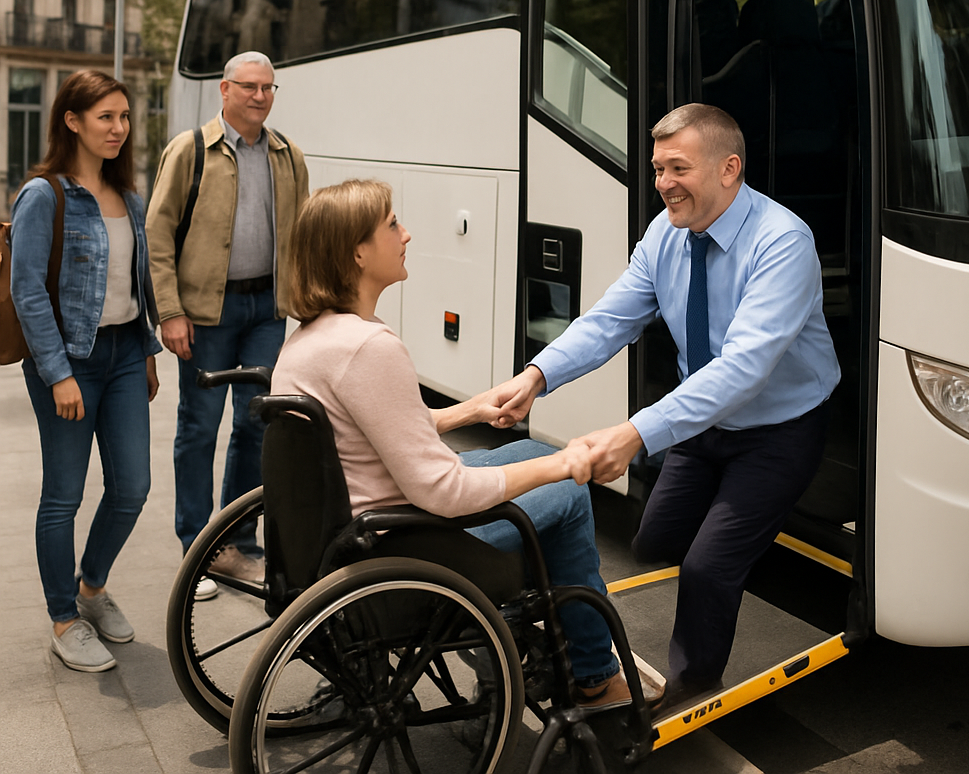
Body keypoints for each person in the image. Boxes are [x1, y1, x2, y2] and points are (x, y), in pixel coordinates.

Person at [493, 103, 841, 710]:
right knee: (652, 542)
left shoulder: (782, 242)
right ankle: (737, 547)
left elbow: (742, 370)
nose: (662, 184)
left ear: (729, 168)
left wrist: (636, 433)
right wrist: (537, 375)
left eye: (677, 168)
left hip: (777, 429)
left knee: (708, 567)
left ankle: (693, 684)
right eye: (657, 169)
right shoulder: (665, 232)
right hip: (703, 424)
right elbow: (610, 319)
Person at [271, 180, 652, 712]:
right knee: (567, 493)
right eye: (392, 225)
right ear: (357, 252)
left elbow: (385, 429)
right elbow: (443, 490)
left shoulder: (313, 338)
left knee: (526, 457)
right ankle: (591, 675)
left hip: (351, 522)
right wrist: (565, 464)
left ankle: (525, 651)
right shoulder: (369, 347)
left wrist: (470, 410)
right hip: (401, 537)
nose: (407, 234)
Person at [10, 70, 161, 673]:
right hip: (70, 360)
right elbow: (27, 292)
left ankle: (92, 587)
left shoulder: (130, 197)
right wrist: (57, 373)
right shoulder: (43, 195)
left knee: (132, 487)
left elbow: (135, 284)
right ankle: (64, 617)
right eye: (106, 117)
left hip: (125, 353)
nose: (119, 129)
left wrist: (146, 350)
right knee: (63, 495)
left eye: (124, 117)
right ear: (71, 120)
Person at [146, 51, 308, 598]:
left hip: (266, 308)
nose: (260, 96)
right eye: (249, 87)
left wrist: (306, 305)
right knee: (199, 427)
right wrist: (169, 311)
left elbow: (303, 238)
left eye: (268, 88)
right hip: (204, 315)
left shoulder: (288, 156)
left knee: (258, 425)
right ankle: (198, 547)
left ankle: (240, 542)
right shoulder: (190, 151)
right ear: (224, 90)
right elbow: (158, 233)